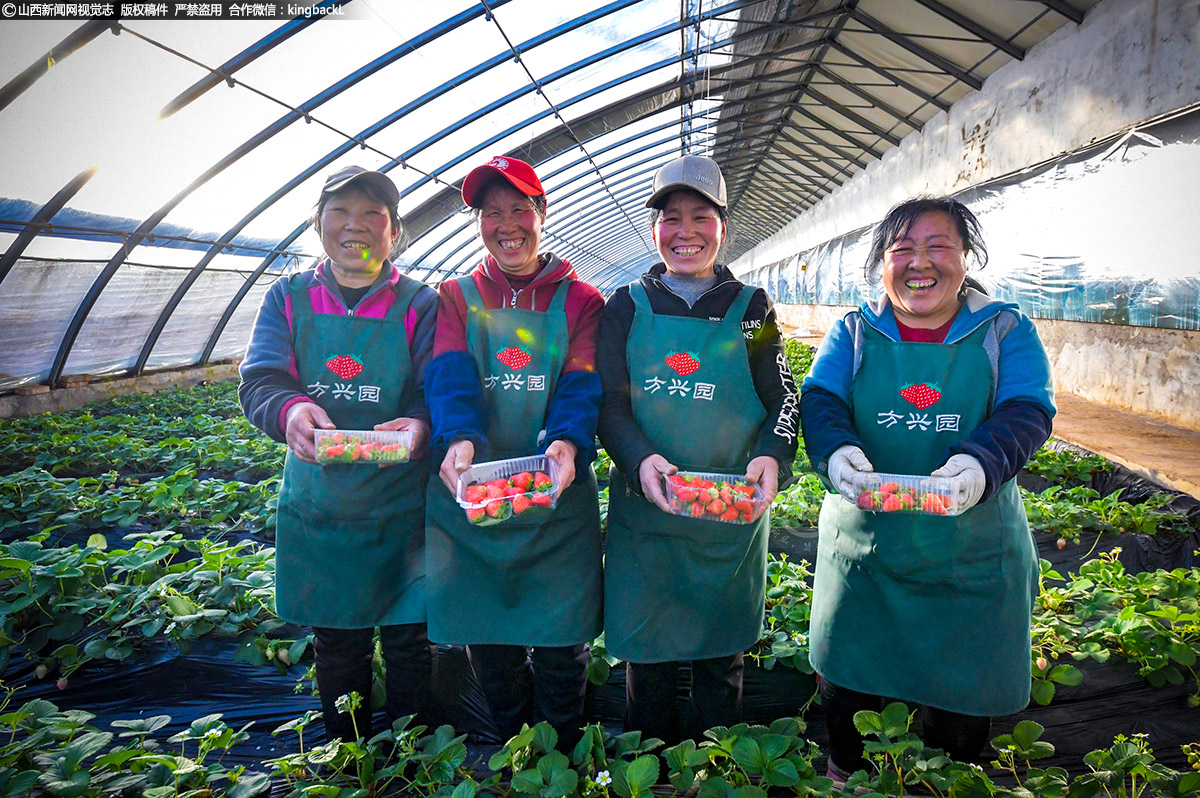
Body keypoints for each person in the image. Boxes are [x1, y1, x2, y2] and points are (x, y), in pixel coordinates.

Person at [800, 197, 1056, 780]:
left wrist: (980, 464)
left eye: (937, 246)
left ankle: (949, 783)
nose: (920, 263)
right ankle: (850, 781)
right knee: (851, 704)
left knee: (960, 717)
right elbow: (820, 399)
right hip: (867, 553)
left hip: (969, 555)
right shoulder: (856, 330)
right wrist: (837, 449)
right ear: (882, 264)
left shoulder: (1004, 330)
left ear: (965, 258)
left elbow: (1027, 409)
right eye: (902, 250)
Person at [596, 154, 799, 743]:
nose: (685, 232)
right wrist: (639, 459)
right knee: (648, 656)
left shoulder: (751, 308)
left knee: (721, 654)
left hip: (728, 514)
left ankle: (716, 763)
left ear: (723, 227)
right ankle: (650, 761)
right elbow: (608, 402)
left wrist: (772, 457)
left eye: (700, 217)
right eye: (671, 218)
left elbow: (782, 396)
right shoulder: (626, 306)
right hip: (647, 509)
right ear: (653, 228)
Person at [239, 165, 440, 742]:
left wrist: (423, 424)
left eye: (372, 214)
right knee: (338, 642)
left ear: (394, 231)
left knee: (409, 640)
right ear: (318, 224)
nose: (356, 226)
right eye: (340, 213)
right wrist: (290, 412)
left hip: (402, 506)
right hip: (321, 503)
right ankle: (349, 758)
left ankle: (412, 755)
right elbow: (261, 379)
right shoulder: (289, 298)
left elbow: (438, 387)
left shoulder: (418, 304)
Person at [424, 155, 604, 751]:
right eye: (491, 212)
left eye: (519, 209)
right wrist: (462, 440)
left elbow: (581, 379)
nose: (507, 224)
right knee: (488, 637)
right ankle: (514, 751)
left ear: (542, 213)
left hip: (557, 493)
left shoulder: (581, 300)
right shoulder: (455, 296)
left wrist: (565, 441)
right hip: (475, 491)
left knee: (561, 641)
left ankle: (560, 757)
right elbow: (449, 375)